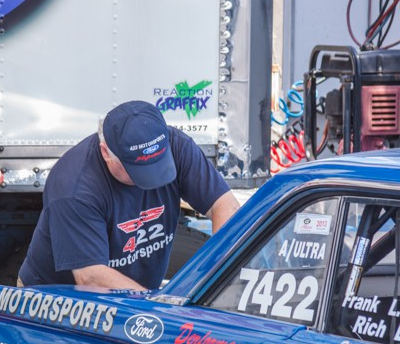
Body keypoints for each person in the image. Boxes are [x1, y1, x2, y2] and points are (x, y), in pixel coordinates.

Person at [18, 100, 240, 291]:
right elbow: (91, 277)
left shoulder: (177, 146)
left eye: (158, 165)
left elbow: (225, 206)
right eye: (138, 170)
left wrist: (215, 275)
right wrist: (155, 308)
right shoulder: (75, 187)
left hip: (134, 295)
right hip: (59, 302)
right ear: (106, 152)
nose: (152, 179)